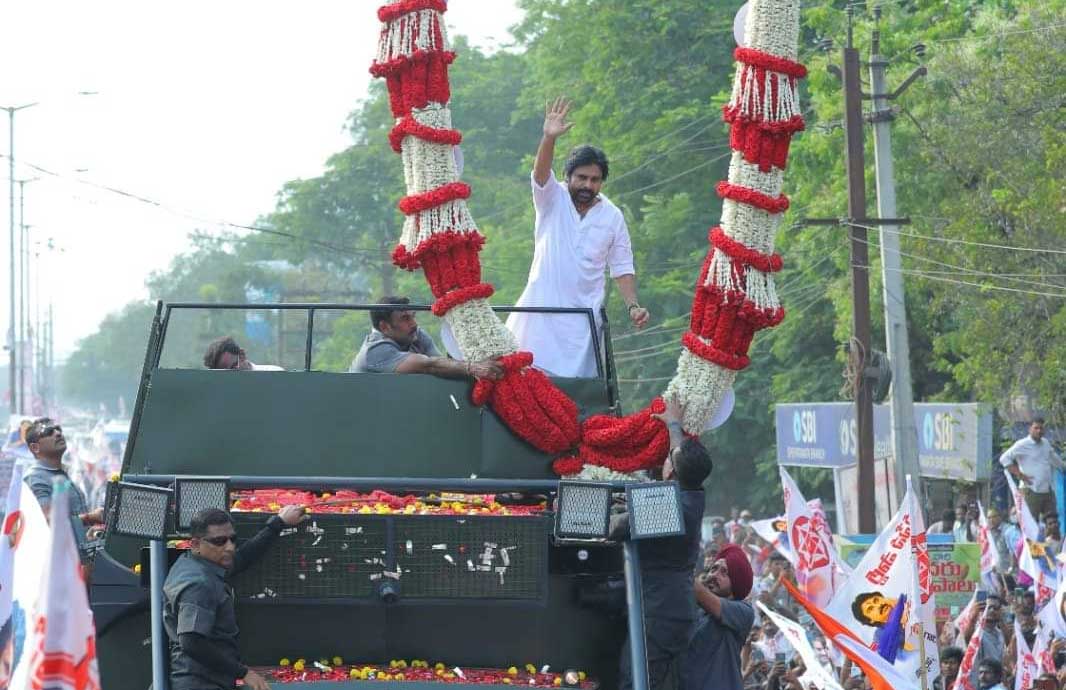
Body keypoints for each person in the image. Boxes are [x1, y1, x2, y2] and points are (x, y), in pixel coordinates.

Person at [505, 97, 650, 379]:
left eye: (595, 180)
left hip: (582, 325)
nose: (587, 185)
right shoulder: (552, 199)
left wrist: (633, 306)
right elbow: (539, 174)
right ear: (567, 176)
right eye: (581, 178)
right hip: (539, 317)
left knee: (577, 396)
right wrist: (549, 138)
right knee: (522, 382)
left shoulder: (612, 216)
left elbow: (621, 267)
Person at [610, 398, 713, 690]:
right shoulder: (692, 490)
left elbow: (618, 528)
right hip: (669, 609)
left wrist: (606, 512)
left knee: (636, 680)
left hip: (660, 614)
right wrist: (673, 423)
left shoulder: (673, 507)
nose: (664, 459)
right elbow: (680, 455)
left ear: (671, 472)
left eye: (669, 458)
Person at [164, 505, 306, 690]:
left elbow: (243, 557)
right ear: (196, 544)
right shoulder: (199, 584)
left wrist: (278, 523)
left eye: (232, 539)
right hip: (199, 683)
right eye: (219, 541)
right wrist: (243, 673)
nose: (229, 547)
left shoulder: (197, 563)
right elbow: (192, 641)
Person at [350, 296, 503, 380]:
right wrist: (473, 367)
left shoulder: (415, 334)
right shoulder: (375, 350)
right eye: (405, 319)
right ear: (384, 327)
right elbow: (429, 365)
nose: (414, 323)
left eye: (413, 316)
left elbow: (442, 364)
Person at [22, 418, 104, 554]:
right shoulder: (35, 478)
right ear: (35, 447)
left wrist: (91, 528)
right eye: (48, 432)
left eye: (58, 429)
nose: (58, 434)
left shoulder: (61, 474)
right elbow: (50, 523)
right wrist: (90, 517)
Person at [681, 543, 755, 690]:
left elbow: (700, 594)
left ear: (736, 582)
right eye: (713, 569)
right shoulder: (695, 611)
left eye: (724, 572)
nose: (714, 575)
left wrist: (678, 565)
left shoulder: (744, 611)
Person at [1000, 418, 1063, 521]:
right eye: (1036, 428)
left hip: (1047, 491)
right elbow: (1004, 459)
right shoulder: (1022, 444)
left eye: (1041, 428)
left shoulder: (1045, 443)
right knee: (1031, 526)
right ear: (1030, 429)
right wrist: (1019, 474)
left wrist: (1063, 467)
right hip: (1030, 491)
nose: (1039, 431)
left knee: (1052, 523)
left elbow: (1055, 459)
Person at [203, 336, 283, 371]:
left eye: (233, 368)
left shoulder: (275, 374)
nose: (229, 377)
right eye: (223, 373)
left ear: (242, 355)